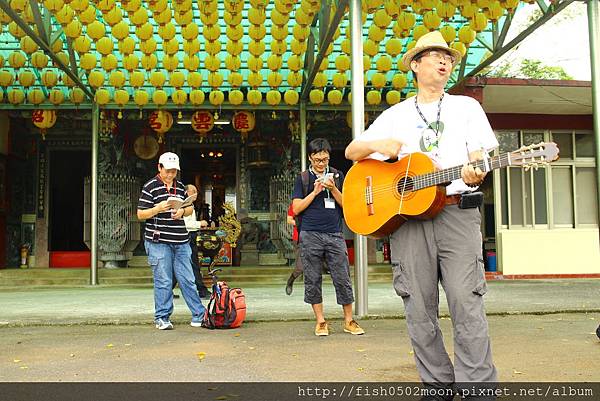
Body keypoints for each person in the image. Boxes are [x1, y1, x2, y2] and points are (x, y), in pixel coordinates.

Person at [345, 31, 498, 398]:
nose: (444, 62)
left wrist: (476, 169)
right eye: (435, 56)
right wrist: (378, 145)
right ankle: (438, 386)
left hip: (457, 214)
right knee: (419, 310)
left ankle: (477, 388)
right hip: (409, 223)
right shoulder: (395, 115)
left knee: (467, 303)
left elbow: (480, 156)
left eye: (448, 57)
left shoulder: (466, 108)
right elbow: (353, 151)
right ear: (415, 65)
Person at [292, 138, 364, 337]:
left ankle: (349, 320)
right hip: (310, 234)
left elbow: (347, 205)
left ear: (329, 157)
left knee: (342, 277)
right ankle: (321, 321)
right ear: (310, 158)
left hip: (334, 233)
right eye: (317, 160)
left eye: (324, 159)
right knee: (313, 278)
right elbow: (296, 208)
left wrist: (333, 188)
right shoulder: (303, 178)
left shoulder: (338, 176)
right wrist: (315, 192)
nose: (321, 163)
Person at [137, 152, 206, 330]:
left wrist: (182, 211)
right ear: (159, 168)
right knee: (163, 280)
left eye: (174, 171)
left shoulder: (180, 186)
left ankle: (199, 314)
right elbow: (140, 214)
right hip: (158, 241)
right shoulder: (150, 187)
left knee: (188, 279)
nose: (170, 175)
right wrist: (158, 208)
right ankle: (162, 317)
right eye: (167, 171)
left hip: (181, 240)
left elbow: (189, 208)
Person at [183, 184, 211, 299]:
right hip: (188, 236)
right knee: (194, 264)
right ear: (186, 192)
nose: (196, 193)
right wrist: (200, 223)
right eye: (193, 191)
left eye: (196, 191)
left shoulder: (190, 204)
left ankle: (168, 291)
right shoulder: (186, 205)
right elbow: (186, 224)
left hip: (191, 235)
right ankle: (202, 290)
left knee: (185, 264)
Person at [285, 202, 302, 295]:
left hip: (315, 237)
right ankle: (290, 281)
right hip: (299, 238)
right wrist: (301, 223)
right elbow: (289, 220)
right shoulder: (296, 203)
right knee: (300, 267)